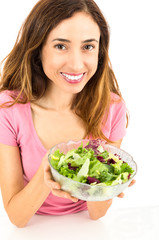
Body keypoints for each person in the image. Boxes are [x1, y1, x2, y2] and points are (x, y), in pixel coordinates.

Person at [0, 0, 135, 228]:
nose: (76, 64)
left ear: (99, 52)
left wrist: (107, 181)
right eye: (61, 46)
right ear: (37, 49)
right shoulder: (9, 109)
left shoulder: (113, 108)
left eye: (88, 46)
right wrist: (49, 171)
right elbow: (16, 217)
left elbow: (96, 215)